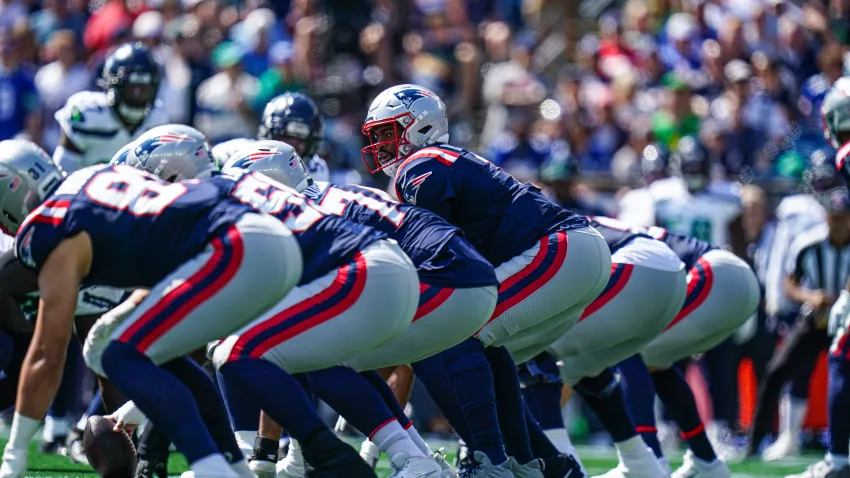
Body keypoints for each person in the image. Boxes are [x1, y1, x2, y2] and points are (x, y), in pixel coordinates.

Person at [116, 133, 424, 477]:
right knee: (263, 346)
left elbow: (197, 330)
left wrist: (147, 425)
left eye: (147, 185)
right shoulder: (228, 193)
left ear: (172, 175)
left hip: (367, 273)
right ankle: (291, 454)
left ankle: (324, 454)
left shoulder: (208, 203)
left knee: (237, 346)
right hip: (381, 271)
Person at [0, 137, 305, 478]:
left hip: (233, 248)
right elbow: (162, 256)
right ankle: (234, 466)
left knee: (117, 354)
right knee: (163, 355)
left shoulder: (53, 223)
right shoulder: (98, 180)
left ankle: (212, 468)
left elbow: (48, 351)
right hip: (272, 242)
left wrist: (13, 458)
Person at [360, 83, 611, 475]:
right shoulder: (443, 160)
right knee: (480, 343)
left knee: (453, 330)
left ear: (418, 127)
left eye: (386, 133)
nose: (381, 146)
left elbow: (429, 251)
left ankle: (489, 460)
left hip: (559, 251)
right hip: (570, 254)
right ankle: (538, 463)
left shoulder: (421, 164)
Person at [521, 215, 687, 478]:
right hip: (674, 275)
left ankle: (562, 464)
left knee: (532, 349)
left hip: (636, 266)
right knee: (587, 363)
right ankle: (641, 462)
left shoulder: (528, 223)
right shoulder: (555, 215)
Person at [781, 188, 850, 478]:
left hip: (844, 316)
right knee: (781, 371)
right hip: (816, 319)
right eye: (834, 218)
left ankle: (837, 458)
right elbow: (790, 283)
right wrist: (811, 297)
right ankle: (784, 438)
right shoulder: (809, 243)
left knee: (840, 363)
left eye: (843, 218)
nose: (838, 224)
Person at [53, 42, 167, 173]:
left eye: (144, 89)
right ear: (113, 87)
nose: (138, 95)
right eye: (132, 89)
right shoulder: (87, 114)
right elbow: (61, 175)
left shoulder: (158, 118)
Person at [257, 92, 329, 182]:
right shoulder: (241, 150)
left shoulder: (315, 170)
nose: (290, 148)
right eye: (285, 138)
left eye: (299, 142)